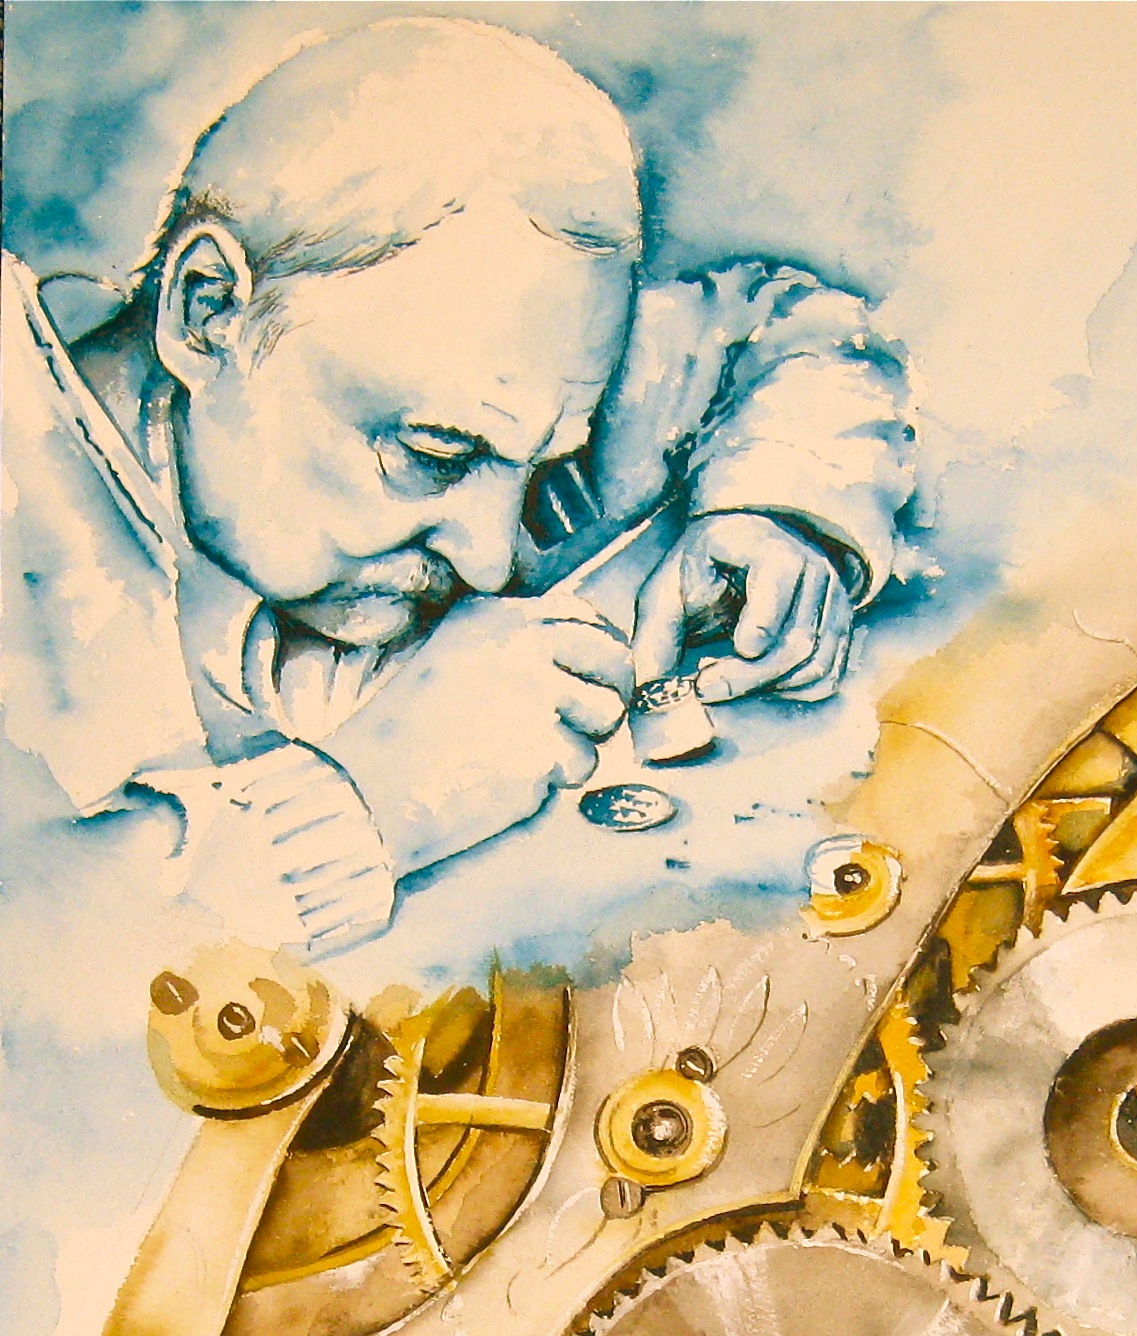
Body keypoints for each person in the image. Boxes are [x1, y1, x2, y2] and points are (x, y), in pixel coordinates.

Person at [0, 15, 916, 958]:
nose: (487, 560)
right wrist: (375, 800)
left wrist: (776, 508)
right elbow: (43, 974)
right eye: (435, 454)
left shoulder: (517, 371)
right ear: (209, 310)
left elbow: (790, 328)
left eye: (543, 466)